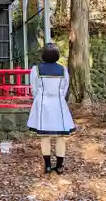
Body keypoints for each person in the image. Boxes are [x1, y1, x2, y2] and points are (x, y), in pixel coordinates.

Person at [27, 43, 76, 175]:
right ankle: (59, 166)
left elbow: (34, 88)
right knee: (60, 137)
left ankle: (48, 166)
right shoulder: (63, 69)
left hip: (42, 103)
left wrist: (39, 98)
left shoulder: (36, 69)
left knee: (45, 136)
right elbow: (65, 87)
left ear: (43, 55)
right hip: (59, 104)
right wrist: (59, 96)